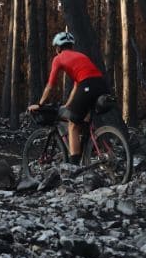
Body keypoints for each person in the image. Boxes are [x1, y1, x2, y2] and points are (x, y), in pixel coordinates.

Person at [29, 31, 109, 164]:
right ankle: (94, 150)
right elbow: (77, 86)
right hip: (101, 85)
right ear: (71, 46)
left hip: (87, 86)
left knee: (72, 125)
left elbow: (50, 85)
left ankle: (73, 165)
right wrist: (68, 104)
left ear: (58, 48)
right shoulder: (81, 56)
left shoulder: (58, 58)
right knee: (84, 119)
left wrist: (40, 104)